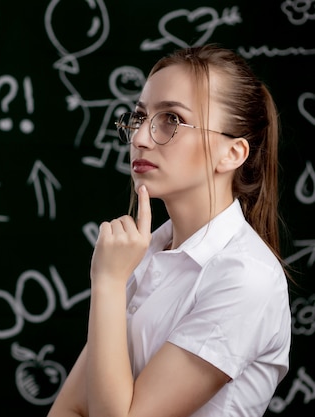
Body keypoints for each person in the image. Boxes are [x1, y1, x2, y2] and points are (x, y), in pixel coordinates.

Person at [47, 44, 292, 417]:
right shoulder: (146, 250)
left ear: (233, 153)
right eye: (140, 117)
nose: (140, 138)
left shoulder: (245, 278)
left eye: (171, 120)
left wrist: (109, 283)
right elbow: (70, 409)